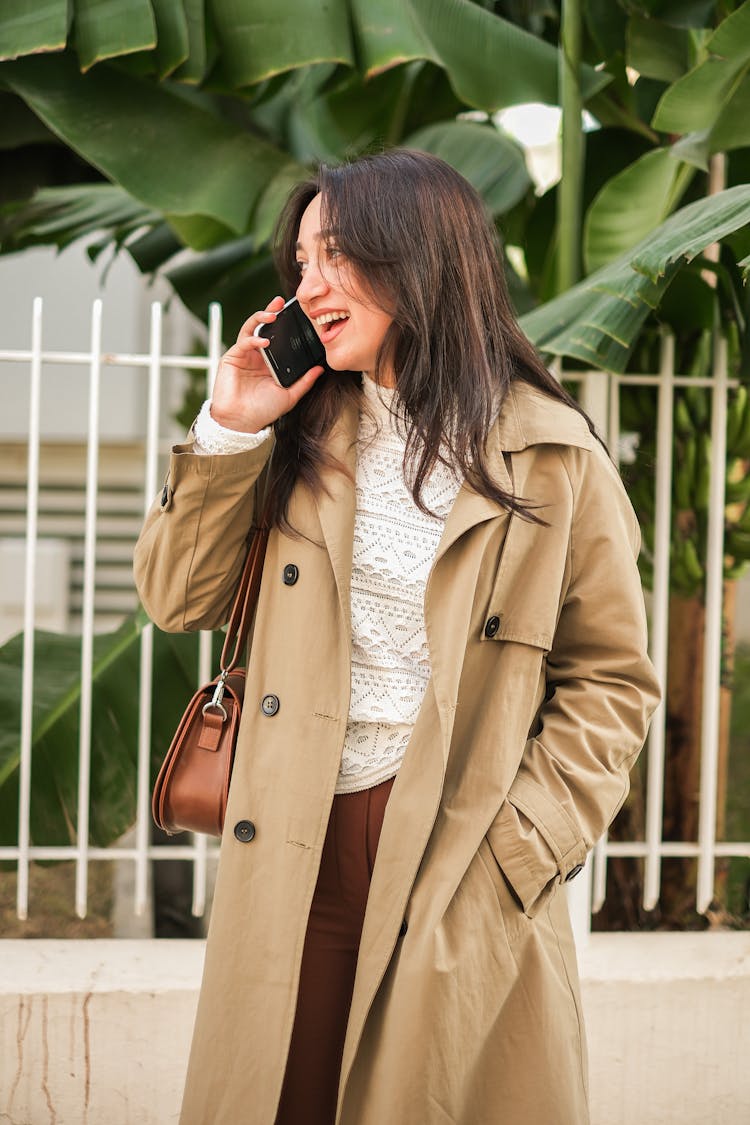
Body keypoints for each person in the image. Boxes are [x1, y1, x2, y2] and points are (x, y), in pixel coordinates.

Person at [134, 149, 660, 1125]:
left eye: (334, 257)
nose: (308, 286)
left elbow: (612, 681)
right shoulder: (298, 433)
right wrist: (231, 427)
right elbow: (177, 597)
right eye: (300, 262)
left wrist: (524, 842)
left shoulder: (548, 452)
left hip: (463, 843)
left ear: (420, 259)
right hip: (305, 834)